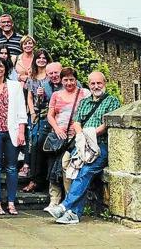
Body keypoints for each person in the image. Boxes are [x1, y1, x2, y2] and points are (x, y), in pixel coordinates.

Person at [47, 71, 120, 224]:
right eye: (92, 83)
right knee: (74, 171)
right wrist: (81, 135)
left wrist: (91, 134)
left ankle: (66, 207)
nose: (96, 86)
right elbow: (77, 121)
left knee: (85, 171)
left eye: (99, 83)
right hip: (82, 145)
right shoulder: (85, 102)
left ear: (104, 83)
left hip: (100, 146)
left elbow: (106, 125)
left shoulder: (112, 101)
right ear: (89, 84)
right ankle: (73, 213)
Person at [44, 67, 90, 211]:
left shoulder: (84, 93)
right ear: (61, 81)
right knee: (53, 168)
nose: (69, 83)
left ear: (76, 80)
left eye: (71, 79)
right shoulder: (56, 95)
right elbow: (50, 115)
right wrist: (57, 129)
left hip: (75, 137)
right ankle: (54, 200)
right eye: (66, 80)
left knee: (68, 167)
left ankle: (69, 200)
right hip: (59, 138)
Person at [0, 57, 27, 216]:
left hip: (11, 131)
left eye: (1, 67)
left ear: (6, 69)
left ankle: (11, 202)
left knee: (12, 168)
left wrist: (21, 131)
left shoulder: (15, 86)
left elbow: (21, 110)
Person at [23, 49, 53, 193]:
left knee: (40, 143)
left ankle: (40, 178)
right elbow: (29, 96)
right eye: (39, 58)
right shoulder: (32, 77)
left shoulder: (50, 77)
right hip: (35, 114)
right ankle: (33, 177)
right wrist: (32, 112)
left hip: (48, 114)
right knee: (32, 142)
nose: (41, 60)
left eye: (44, 58)